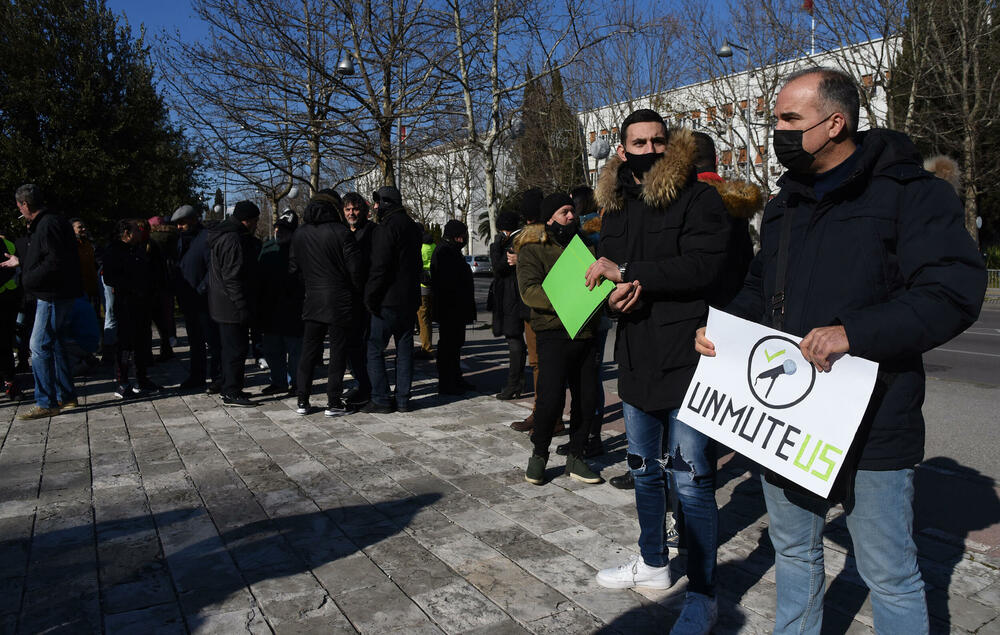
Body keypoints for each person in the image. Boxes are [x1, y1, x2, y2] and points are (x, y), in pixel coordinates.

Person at [695, 67, 986, 635]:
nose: (775, 130)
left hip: (877, 419)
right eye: (775, 118)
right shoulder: (785, 206)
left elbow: (952, 292)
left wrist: (855, 332)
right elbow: (760, 288)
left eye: (788, 119)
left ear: (835, 123)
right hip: (789, 420)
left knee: (890, 573)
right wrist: (725, 332)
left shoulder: (911, 194)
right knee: (795, 554)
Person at [585, 111, 733, 634]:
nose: (648, 149)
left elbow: (704, 266)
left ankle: (704, 593)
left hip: (690, 356)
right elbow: (604, 273)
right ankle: (652, 562)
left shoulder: (698, 197)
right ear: (622, 149)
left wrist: (630, 274)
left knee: (692, 480)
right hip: (635, 357)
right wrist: (612, 299)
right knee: (645, 471)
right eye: (638, 142)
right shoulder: (617, 205)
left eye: (657, 141)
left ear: (671, 145)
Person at [517, 193, 603, 486]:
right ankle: (539, 456)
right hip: (553, 332)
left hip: (585, 332)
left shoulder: (586, 246)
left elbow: (599, 282)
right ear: (550, 217)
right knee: (550, 399)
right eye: (565, 211)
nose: (572, 216)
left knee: (587, 397)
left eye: (573, 211)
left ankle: (577, 457)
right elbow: (529, 291)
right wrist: (568, 302)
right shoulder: (533, 249)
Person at [2, 184, 83, 420]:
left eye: (19, 207)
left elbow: (54, 262)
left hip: (52, 294)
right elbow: (48, 257)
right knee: (55, 344)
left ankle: (46, 401)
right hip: (57, 292)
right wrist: (23, 262)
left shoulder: (47, 225)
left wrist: (27, 277)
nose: (20, 211)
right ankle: (66, 397)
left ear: (25, 205)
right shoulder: (52, 223)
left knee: (38, 346)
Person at [290, 192, 364, 415]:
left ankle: (302, 400)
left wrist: (309, 286)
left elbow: (294, 270)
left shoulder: (300, 233)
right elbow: (356, 270)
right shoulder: (341, 232)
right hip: (339, 300)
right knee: (337, 352)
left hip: (312, 299)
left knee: (309, 352)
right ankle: (333, 402)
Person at [363, 186, 421, 413]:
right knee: (404, 348)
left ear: (386, 203)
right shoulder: (412, 227)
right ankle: (403, 399)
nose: (375, 207)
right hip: (409, 298)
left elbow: (380, 267)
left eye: (377, 203)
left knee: (375, 348)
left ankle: (381, 399)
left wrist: (370, 297)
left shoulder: (386, 228)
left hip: (387, 300)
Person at [207, 200, 261, 407]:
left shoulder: (224, 235)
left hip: (222, 303)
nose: (256, 225)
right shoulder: (233, 240)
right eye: (255, 220)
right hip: (230, 306)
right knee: (235, 350)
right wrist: (242, 305)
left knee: (231, 348)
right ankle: (231, 391)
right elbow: (232, 277)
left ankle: (231, 386)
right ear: (246, 220)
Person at [101, 219, 160, 398]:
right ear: (126, 232)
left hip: (142, 304)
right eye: (136, 230)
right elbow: (110, 278)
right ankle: (122, 383)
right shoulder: (114, 250)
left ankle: (142, 380)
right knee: (126, 344)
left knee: (142, 343)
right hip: (126, 304)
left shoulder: (138, 249)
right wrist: (132, 287)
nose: (139, 233)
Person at [174, 206, 223, 392]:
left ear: (194, 220)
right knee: (195, 341)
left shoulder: (206, 238)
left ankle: (218, 377)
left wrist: (202, 288)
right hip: (188, 300)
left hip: (204, 299)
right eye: (177, 224)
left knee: (212, 340)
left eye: (182, 223)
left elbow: (213, 269)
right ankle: (197, 375)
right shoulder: (182, 240)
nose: (179, 227)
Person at [257, 210, 304, 397]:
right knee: (272, 350)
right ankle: (278, 381)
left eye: (284, 229)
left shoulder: (300, 249)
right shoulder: (268, 247)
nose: (279, 231)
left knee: (294, 351)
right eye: (278, 227)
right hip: (271, 310)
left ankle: (297, 383)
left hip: (293, 310)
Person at [431, 219, 476, 395]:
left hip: (456, 308)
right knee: (448, 346)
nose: (465, 237)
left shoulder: (451, 250)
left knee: (455, 345)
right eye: (463, 234)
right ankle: (447, 382)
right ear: (457, 236)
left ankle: (455, 377)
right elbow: (448, 282)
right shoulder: (444, 251)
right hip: (450, 308)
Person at [489, 210, 526, 400]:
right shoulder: (521, 238)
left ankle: (514, 384)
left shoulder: (513, 241)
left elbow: (499, 266)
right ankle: (517, 382)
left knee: (514, 339)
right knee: (516, 339)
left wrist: (495, 247)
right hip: (515, 294)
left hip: (512, 296)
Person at [342, 192, 374, 407]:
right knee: (350, 345)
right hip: (347, 298)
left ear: (363, 210)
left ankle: (367, 386)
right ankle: (361, 383)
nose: (351, 213)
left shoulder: (372, 232)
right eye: (348, 210)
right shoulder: (342, 232)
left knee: (365, 345)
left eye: (355, 209)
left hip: (367, 297)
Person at [0, 233, 23, 400]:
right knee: (5, 343)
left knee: (4, 343)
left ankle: (10, 382)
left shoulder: (6, 244)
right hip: (8, 297)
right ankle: (9, 382)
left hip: (5, 299)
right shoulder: (6, 243)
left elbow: (7, 268)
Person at [70, 218, 101, 318]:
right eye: (80, 227)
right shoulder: (71, 246)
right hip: (79, 290)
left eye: (84, 227)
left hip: (92, 287)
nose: (83, 229)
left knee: (94, 317)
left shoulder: (89, 244)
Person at [415, 228, 435, 359]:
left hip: (421, 286)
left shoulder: (419, 248)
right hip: (433, 285)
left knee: (422, 318)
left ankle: (426, 347)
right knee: (428, 317)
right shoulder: (434, 246)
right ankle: (428, 344)